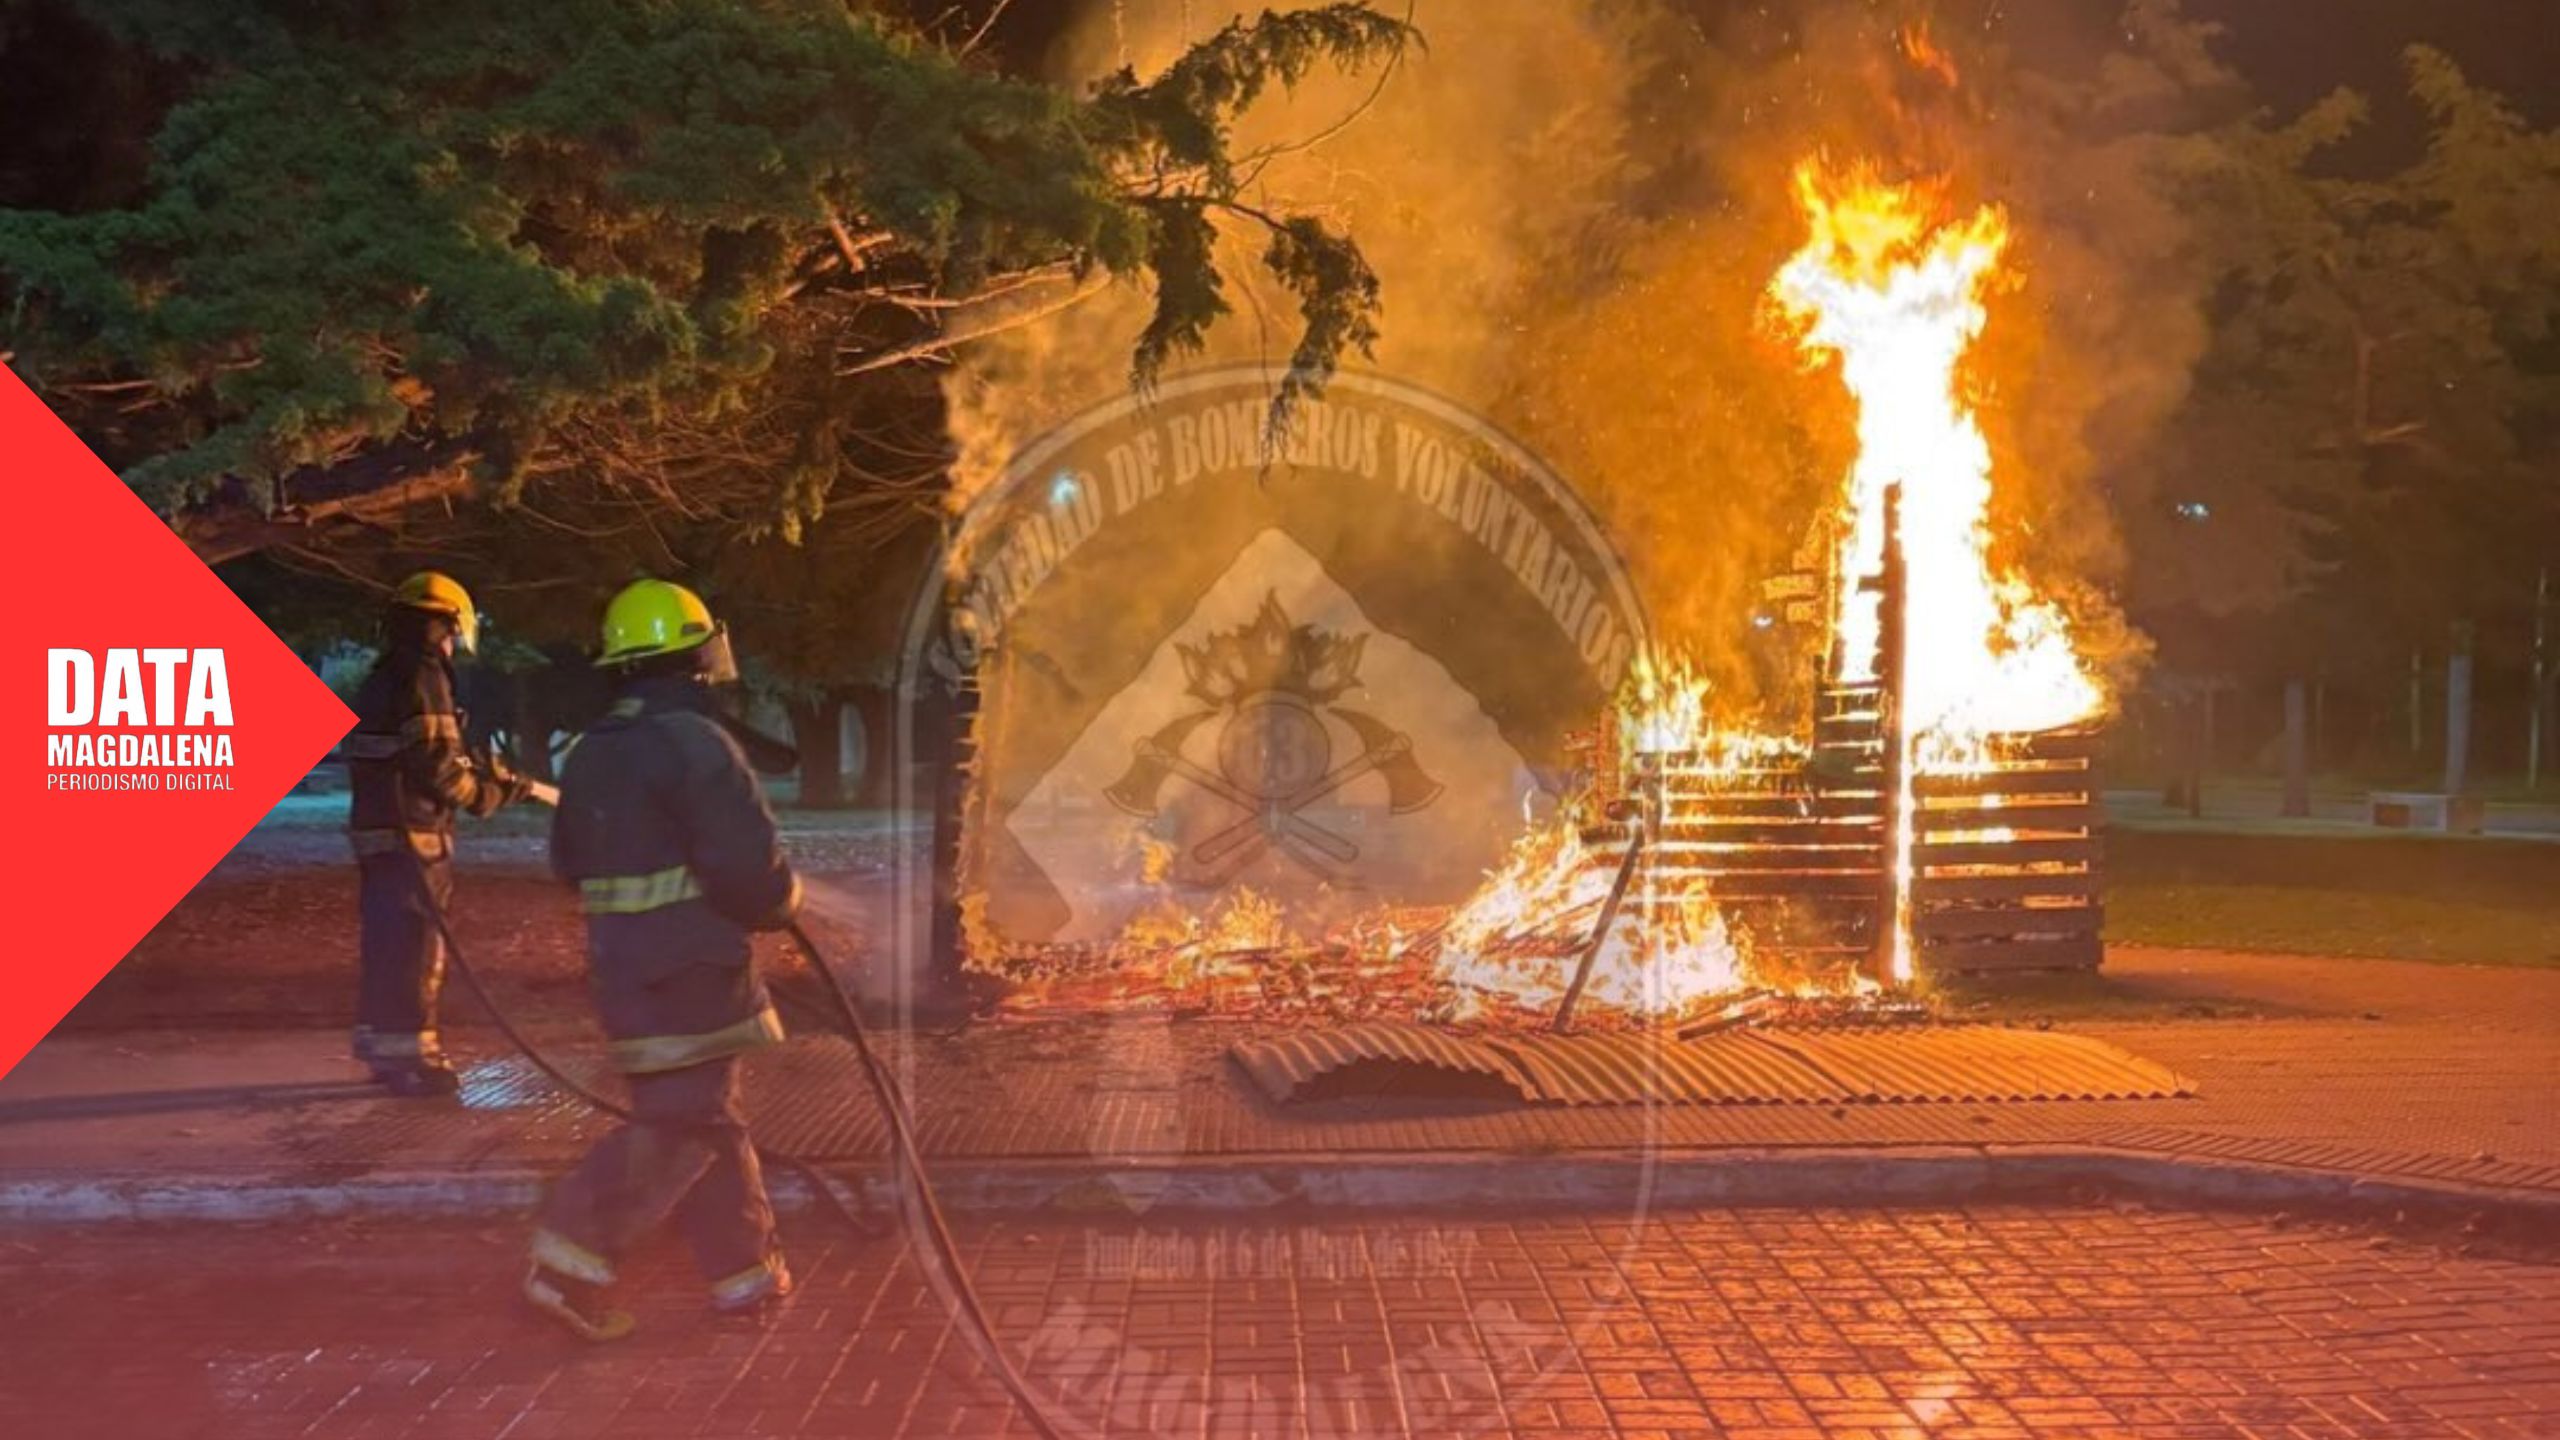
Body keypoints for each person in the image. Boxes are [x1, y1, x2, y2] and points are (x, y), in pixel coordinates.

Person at [524, 578, 802, 1341]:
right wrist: (783, 902)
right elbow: (752, 871)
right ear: (694, 652)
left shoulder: (591, 751)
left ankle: (746, 1279)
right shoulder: (695, 743)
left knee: (705, 1117)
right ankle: (569, 1257)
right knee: (686, 1125)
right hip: (696, 974)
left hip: (623, 973)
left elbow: (570, 862)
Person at [344, 571, 534, 1097]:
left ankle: (382, 1046)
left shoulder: (383, 675)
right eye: (451, 633)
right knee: (415, 947)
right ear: (443, 624)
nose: (452, 645)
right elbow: (439, 766)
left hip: (379, 832)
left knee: (385, 943)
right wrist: (484, 795)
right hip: (415, 835)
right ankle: (414, 1059)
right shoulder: (425, 674)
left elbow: (414, 750)